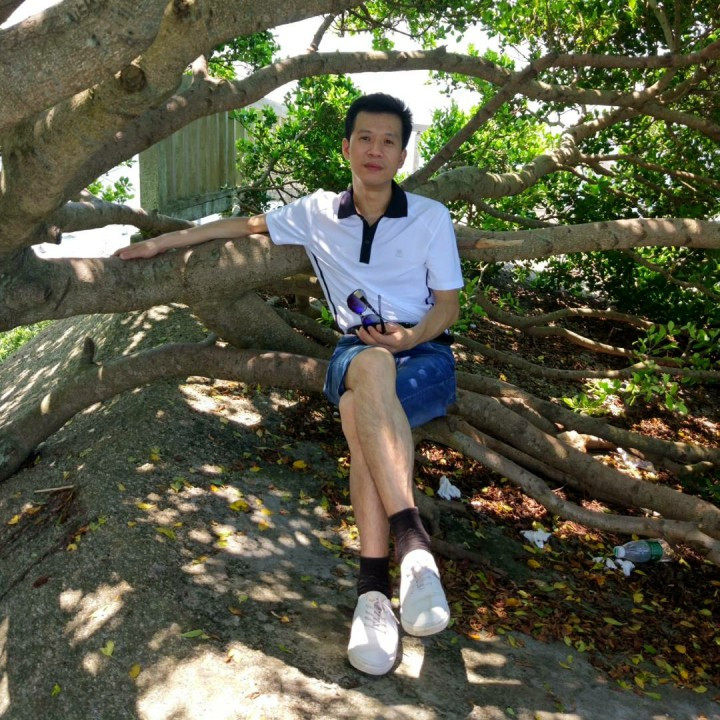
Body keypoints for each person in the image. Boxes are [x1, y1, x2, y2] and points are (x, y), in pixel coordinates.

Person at [115, 93, 464, 676]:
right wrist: (162, 242)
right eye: (365, 138)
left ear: (402, 156)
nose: (375, 149)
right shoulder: (317, 211)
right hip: (357, 351)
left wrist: (409, 336)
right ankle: (414, 551)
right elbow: (243, 223)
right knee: (370, 369)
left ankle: (373, 594)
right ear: (346, 147)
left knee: (359, 413)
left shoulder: (430, 217)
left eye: (388, 141)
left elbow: (448, 307)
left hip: (424, 354)